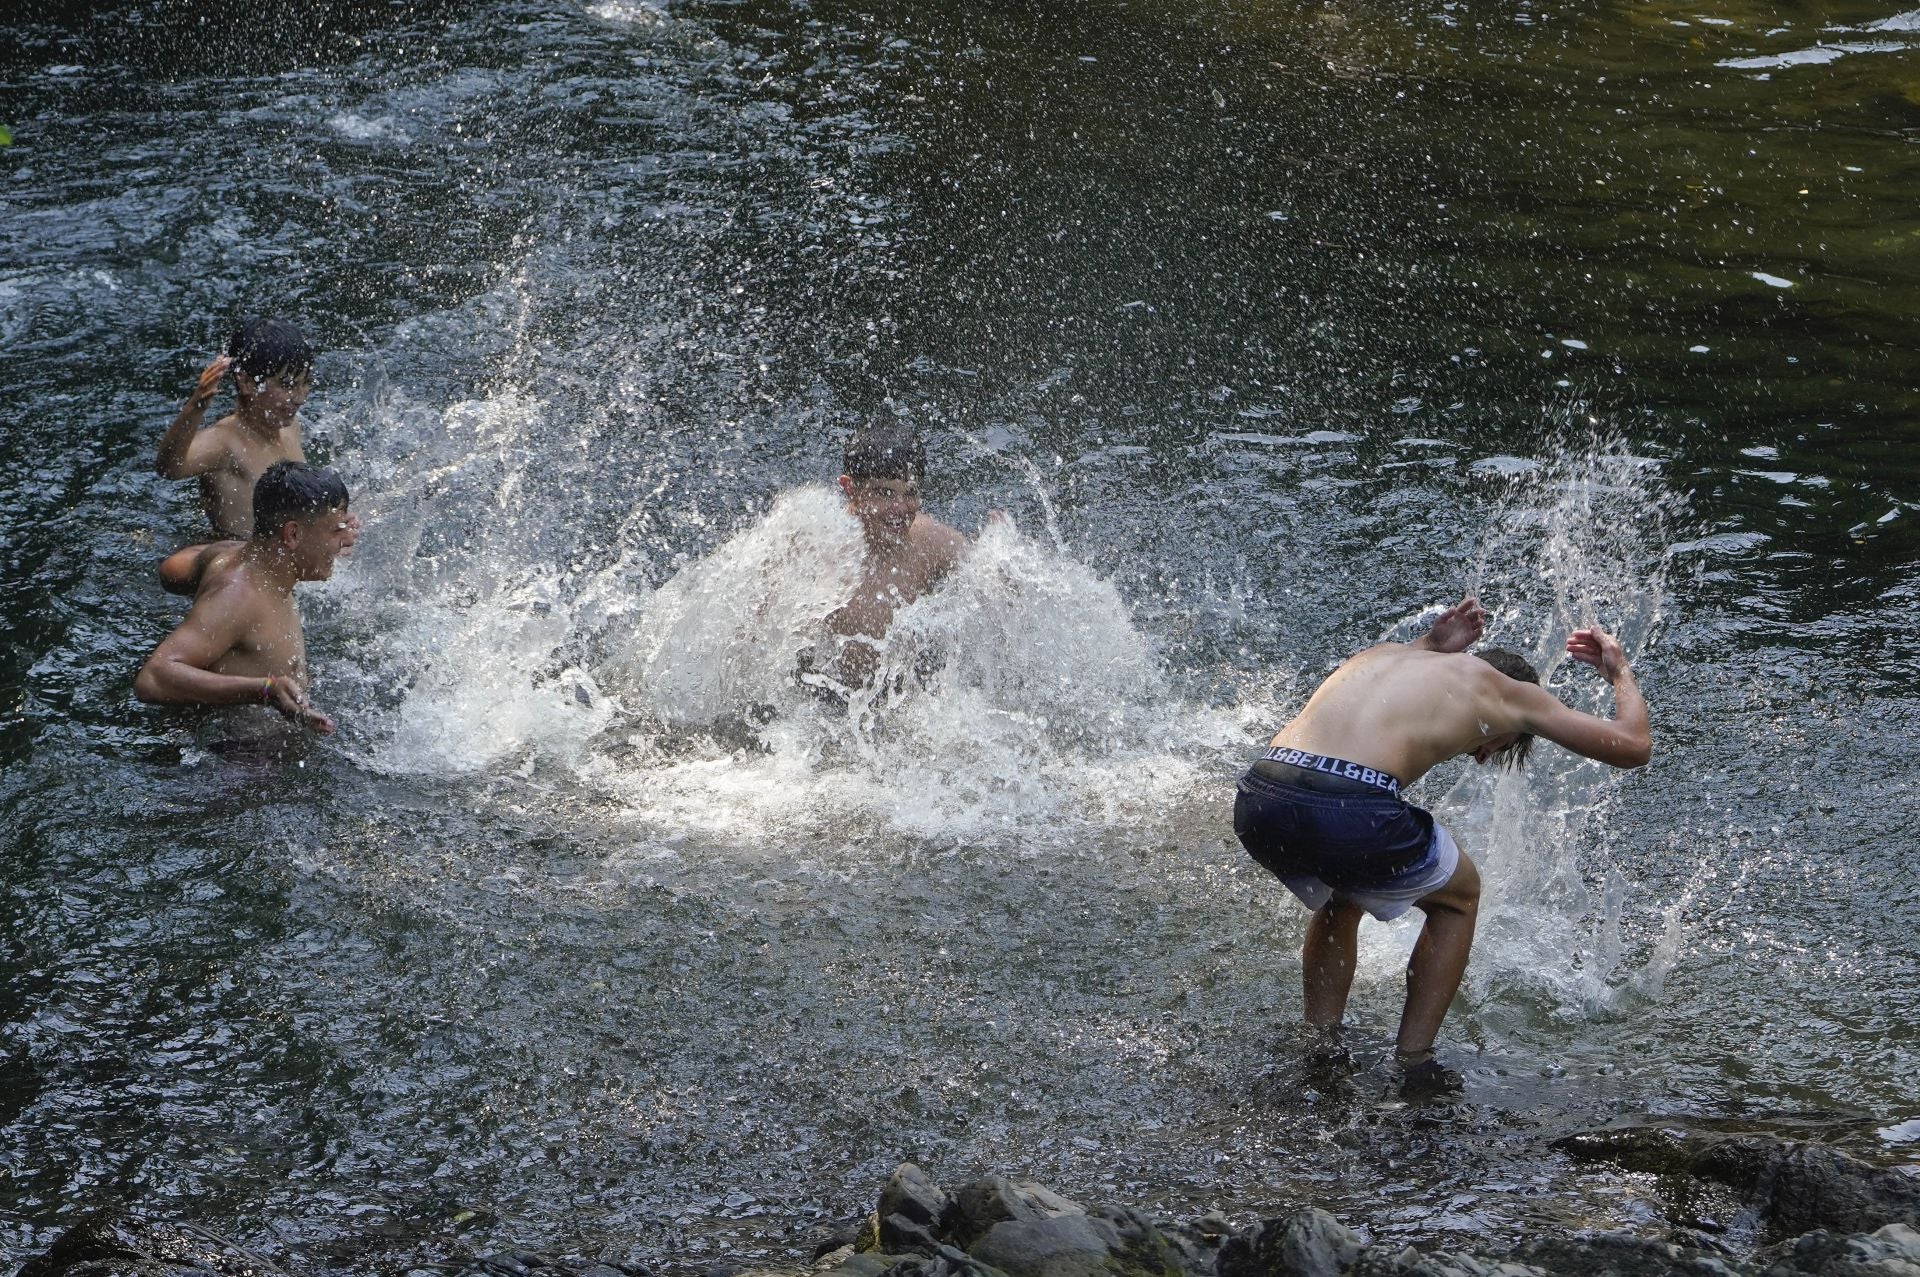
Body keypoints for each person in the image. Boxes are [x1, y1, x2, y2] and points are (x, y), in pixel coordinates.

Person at [1233, 595, 1651, 1095]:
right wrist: (1619, 672)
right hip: (1347, 804)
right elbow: (1634, 746)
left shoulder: (1387, 655)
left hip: (1260, 796)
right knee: (1460, 896)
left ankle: (1321, 1045)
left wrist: (1432, 640)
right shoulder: (1507, 692)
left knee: (1344, 890)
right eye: (1497, 744)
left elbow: (1386, 692)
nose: (1480, 756)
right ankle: (1414, 1062)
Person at [134, 461, 355, 736]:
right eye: (337, 531)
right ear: (293, 534)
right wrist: (265, 690)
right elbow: (153, 677)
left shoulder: (232, 554)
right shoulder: (240, 595)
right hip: (233, 760)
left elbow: (172, 568)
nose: (348, 540)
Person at [153, 317, 345, 594]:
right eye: (287, 384)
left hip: (289, 558)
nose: (300, 397)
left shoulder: (290, 426)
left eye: (306, 383)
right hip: (246, 575)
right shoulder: (224, 442)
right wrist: (196, 406)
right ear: (246, 382)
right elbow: (169, 467)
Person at [804, 424, 969, 693]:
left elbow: (989, 578)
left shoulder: (930, 543)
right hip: (823, 698)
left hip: (899, 695)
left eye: (910, 493)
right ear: (850, 488)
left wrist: (1002, 566)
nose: (900, 509)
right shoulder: (819, 552)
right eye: (884, 493)